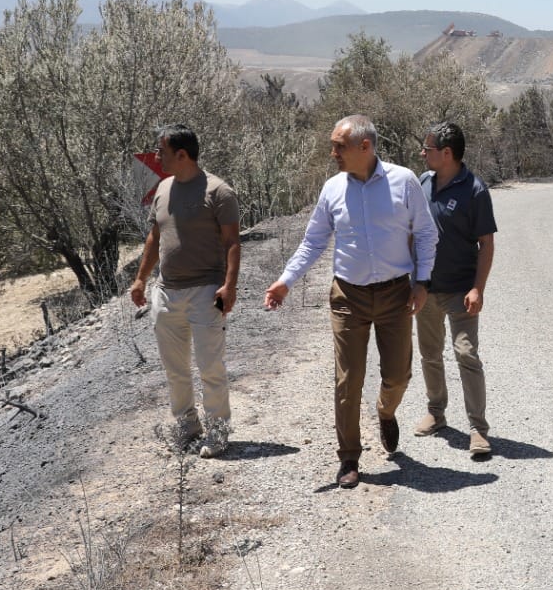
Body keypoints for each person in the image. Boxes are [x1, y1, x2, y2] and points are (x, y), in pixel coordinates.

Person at [263, 115, 437, 489]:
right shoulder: (332, 189)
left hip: (395, 294)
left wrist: (422, 282)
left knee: (398, 375)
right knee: (348, 379)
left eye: (339, 146)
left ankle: (385, 411)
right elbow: (313, 242)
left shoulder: (403, 181)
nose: (333, 153)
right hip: (348, 296)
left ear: (365, 146)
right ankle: (349, 458)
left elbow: (425, 233)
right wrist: (285, 281)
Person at [129, 124, 241, 458]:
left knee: (210, 367)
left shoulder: (219, 191)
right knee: (175, 370)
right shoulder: (163, 188)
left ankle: (218, 433)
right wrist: (140, 279)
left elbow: (233, 242)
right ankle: (188, 427)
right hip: (167, 293)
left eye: (161, 150)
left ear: (182, 154)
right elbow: (154, 238)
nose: (157, 155)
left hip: (207, 292)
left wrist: (230, 286)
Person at [413, 122, 497, 458]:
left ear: (446, 154)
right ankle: (436, 412)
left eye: (428, 149)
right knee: (430, 354)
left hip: (461, 290)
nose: (423, 153)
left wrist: (478, 288)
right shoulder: (422, 182)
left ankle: (478, 428)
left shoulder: (475, 190)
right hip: (426, 289)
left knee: (466, 354)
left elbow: (487, 244)